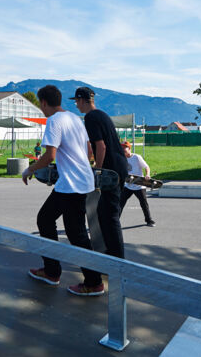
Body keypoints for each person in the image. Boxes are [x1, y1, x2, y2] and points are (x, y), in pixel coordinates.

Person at [21, 85, 105, 296]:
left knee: (72, 232)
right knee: (50, 221)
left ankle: (91, 281)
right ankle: (52, 270)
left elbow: (50, 155)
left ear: (43, 102)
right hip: (79, 181)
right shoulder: (75, 118)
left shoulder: (54, 121)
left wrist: (29, 169)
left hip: (72, 185)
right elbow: (88, 150)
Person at [72, 86, 129, 270]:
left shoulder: (90, 117)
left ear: (82, 100)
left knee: (110, 217)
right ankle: (111, 256)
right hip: (119, 167)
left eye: (76, 101)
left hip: (111, 172)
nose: (76, 105)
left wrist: (97, 171)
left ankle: (118, 262)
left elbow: (101, 146)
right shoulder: (102, 114)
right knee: (105, 215)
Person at [121, 141, 155, 226]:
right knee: (120, 203)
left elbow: (146, 167)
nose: (123, 150)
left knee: (144, 203)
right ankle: (115, 221)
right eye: (122, 148)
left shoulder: (136, 157)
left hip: (139, 185)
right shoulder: (122, 158)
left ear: (129, 148)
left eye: (124, 148)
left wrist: (147, 175)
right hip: (128, 185)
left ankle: (149, 220)